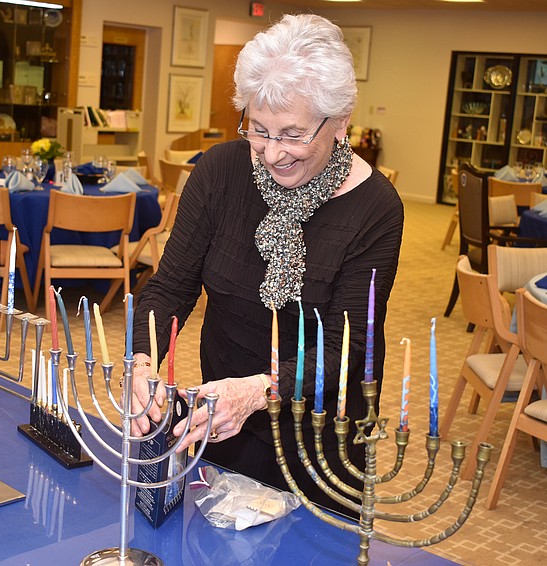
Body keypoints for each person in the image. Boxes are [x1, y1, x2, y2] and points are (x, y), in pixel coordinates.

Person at [129, 13, 403, 516]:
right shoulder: (220, 171)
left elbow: (349, 348)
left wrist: (257, 391)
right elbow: (170, 287)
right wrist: (141, 363)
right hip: (223, 420)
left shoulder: (375, 208)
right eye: (259, 131)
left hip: (320, 432)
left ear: (341, 121)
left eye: (293, 135)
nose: (272, 154)